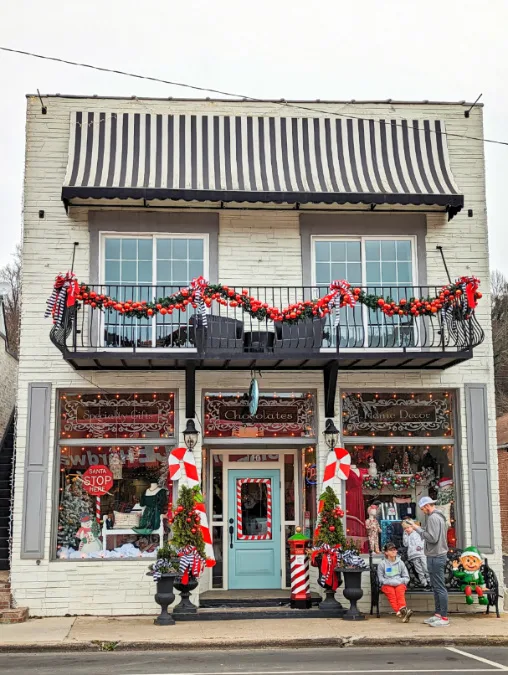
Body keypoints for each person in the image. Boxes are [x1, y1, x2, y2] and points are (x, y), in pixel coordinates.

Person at [410, 496, 449, 627]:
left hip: (436, 556)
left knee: (439, 587)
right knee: (437, 587)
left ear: (427, 506)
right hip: (437, 555)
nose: (423, 511)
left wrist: (418, 529)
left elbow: (432, 538)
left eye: (422, 509)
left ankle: (443, 617)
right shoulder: (439, 517)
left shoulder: (433, 518)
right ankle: (438, 614)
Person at [377, 542, 413, 622]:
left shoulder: (400, 563)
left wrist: (399, 581)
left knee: (399, 592)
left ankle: (401, 612)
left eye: (395, 549)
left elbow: (406, 577)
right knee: (391, 593)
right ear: (386, 552)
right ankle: (403, 612)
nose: (394, 551)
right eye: (391, 550)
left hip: (399, 583)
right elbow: (381, 579)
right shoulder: (382, 564)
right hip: (387, 584)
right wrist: (390, 582)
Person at [402, 519, 431, 587]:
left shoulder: (418, 532)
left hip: (422, 553)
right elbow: (405, 544)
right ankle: (425, 583)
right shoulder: (407, 535)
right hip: (413, 555)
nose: (407, 529)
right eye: (405, 528)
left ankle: (430, 581)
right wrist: (405, 535)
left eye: (408, 527)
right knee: (419, 570)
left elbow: (424, 537)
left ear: (412, 526)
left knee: (425, 567)